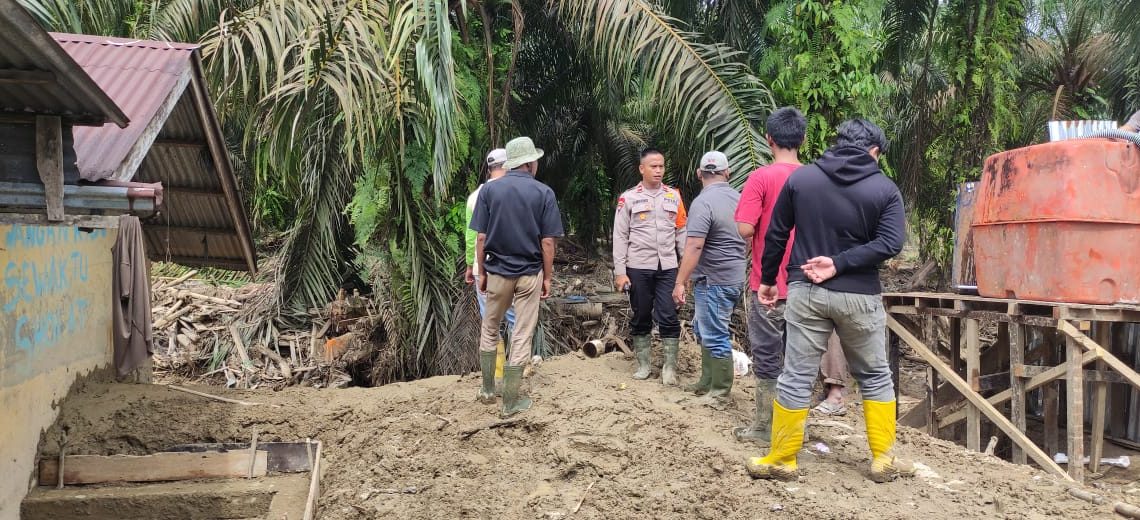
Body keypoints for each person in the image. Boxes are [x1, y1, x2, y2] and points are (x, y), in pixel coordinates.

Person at [745, 119, 912, 483]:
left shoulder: (802, 180)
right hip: (859, 295)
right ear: (873, 152)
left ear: (836, 143)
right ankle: (882, 458)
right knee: (874, 375)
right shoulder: (883, 188)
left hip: (805, 291)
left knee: (796, 375)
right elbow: (890, 243)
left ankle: (782, 458)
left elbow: (775, 234)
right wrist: (841, 263)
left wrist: (770, 280)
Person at [470, 136, 564, 418]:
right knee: (521, 333)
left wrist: (482, 272)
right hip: (529, 273)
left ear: (512, 164)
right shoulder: (544, 193)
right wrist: (547, 278)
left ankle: (488, 390)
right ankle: (510, 402)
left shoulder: (490, 192)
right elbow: (548, 243)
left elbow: (481, 238)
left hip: (497, 271)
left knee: (490, 327)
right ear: (531, 163)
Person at [732, 107, 807, 442]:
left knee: (766, 355)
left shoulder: (760, 178)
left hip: (769, 284)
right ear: (803, 139)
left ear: (769, 140)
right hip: (808, 286)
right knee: (800, 357)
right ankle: (796, 431)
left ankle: (764, 426)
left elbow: (745, 228)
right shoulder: (816, 177)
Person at [672, 151, 746, 404]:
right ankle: (706, 381)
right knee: (706, 330)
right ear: (728, 173)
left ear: (699, 173)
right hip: (733, 276)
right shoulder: (739, 198)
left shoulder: (703, 203)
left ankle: (720, 391)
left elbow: (694, 246)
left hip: (714, 279)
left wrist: (680, 280)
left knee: (714, 334)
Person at [613, 148, 688, 385]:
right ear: (641, 169)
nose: (658, 170)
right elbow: (620, 236)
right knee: (642, 313)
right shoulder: (629, 198)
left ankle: (669, 369)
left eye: (661, 166)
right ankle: (644, 364)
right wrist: (620, 272)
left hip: (667, 266)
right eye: (653, 166)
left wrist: (685, 273)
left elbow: (682, 233)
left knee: (668, 315)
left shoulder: (673, 197)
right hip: (638, 266)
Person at [466, 149, 516, 401]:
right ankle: (519, 369)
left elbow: (472, 237)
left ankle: (496, 374)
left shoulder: (475, 196)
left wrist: (471, 266)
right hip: (514, 269)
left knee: (490, 323)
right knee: (517, 318)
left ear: (488, 169)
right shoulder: (514, 192)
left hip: (483, 269)